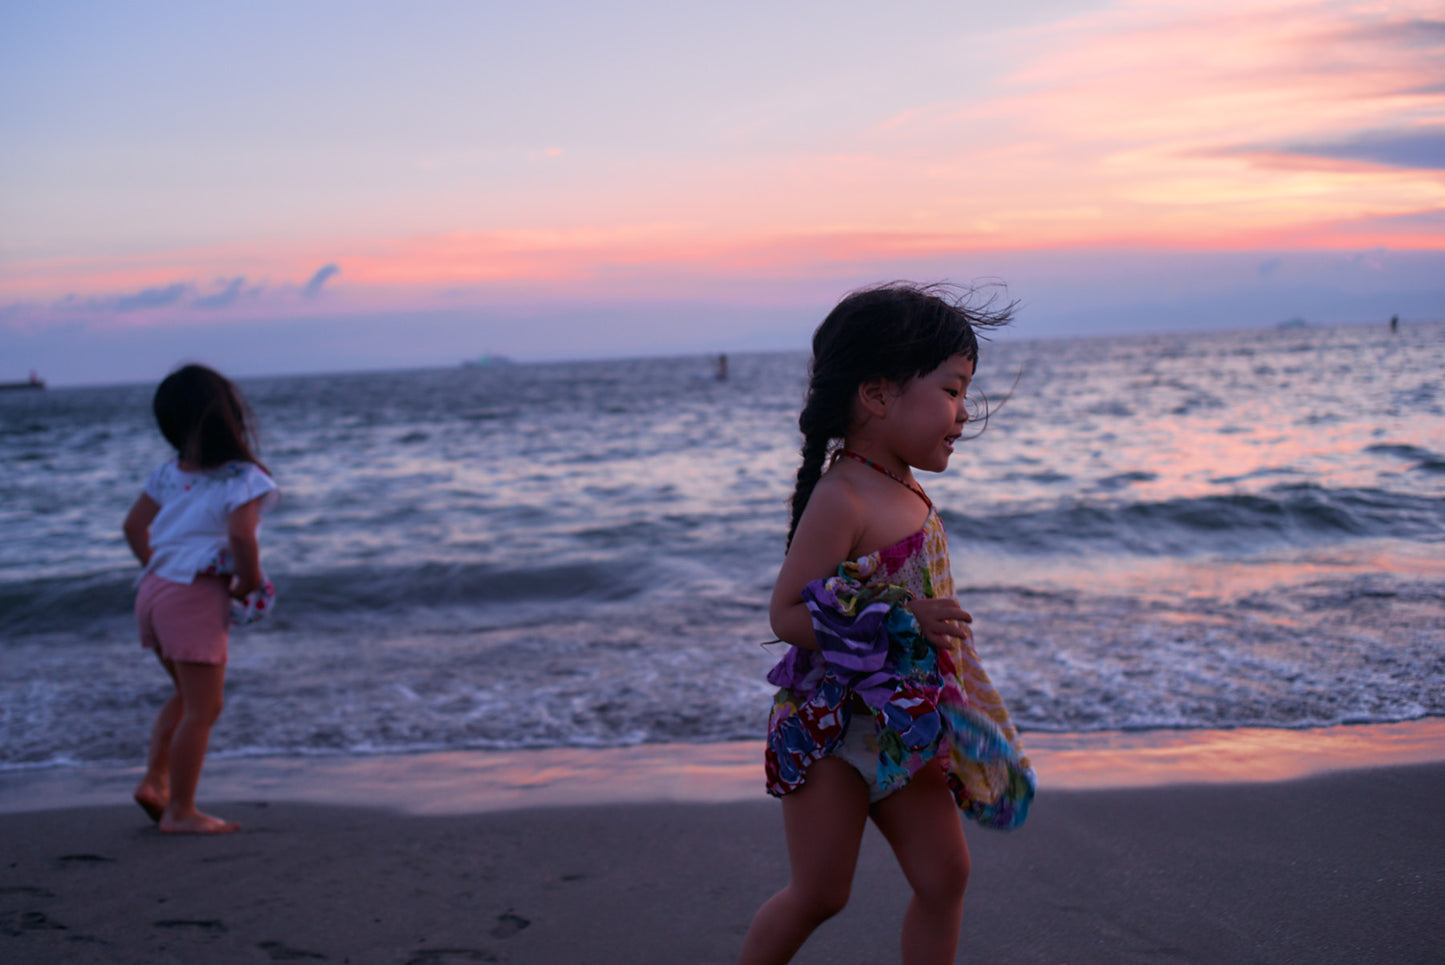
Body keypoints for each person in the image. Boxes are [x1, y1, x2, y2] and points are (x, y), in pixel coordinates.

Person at [737, 283, 1035, 965]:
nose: (963, 413)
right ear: (877, 395)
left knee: (945, 875)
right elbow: (786, 613)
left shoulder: (904, 487)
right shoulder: (841, 495)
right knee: (820, 893)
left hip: (905, 723)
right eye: (953, 389)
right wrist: (901, 617)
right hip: (830, 729)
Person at [123, 364, 278, 834]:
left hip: (153, 591)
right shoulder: (243, 478)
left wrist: (162, 571)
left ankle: (156, 783)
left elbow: (133, 528)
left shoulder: (169, 473)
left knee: (185, 696)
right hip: (191, 599)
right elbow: (241, 537)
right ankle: (181, 811)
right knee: (204, 709)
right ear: (231, 416)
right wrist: (247, 583)